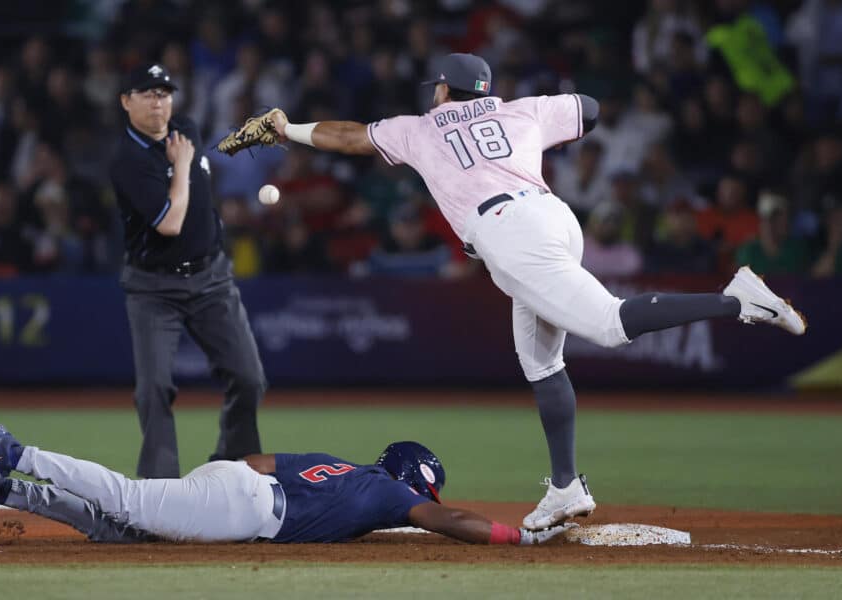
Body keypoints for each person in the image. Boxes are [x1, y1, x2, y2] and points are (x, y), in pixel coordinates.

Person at [257, 53, 807, 531]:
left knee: (611, 324)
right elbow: (588, 107)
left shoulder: (421, 127)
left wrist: (288, 129)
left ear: (444, 90)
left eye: (439, 89)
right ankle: (566, 487)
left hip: (508, 232)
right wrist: (526, 117)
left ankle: (739, 299)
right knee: (542, 363)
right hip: (552, 215)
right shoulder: (518, 110)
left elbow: (349, 136)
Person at [0, 424, 570, 546]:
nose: (417, 507)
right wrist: (517, 537)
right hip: (245, 508)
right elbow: (450, 520)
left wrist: (208, 487)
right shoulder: (385, 493)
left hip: (237, 480)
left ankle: (5, 492)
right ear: (412, 480)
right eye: (419, 494)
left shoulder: (343, 467)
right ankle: (18, 452)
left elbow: (258, 457)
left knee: (121, 532)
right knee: (128, 501)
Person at [109, 64, 267, 478]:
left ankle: (235, 469)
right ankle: (160, 488)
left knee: (249, 378)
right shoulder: (127, 159)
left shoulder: (187, 128)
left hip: (211, 279)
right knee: (154, 389)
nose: (158, 101)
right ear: (126, 101)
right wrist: (182, 165)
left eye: (164, 93)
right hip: (153, 289)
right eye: (147, 93)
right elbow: (170, 223)